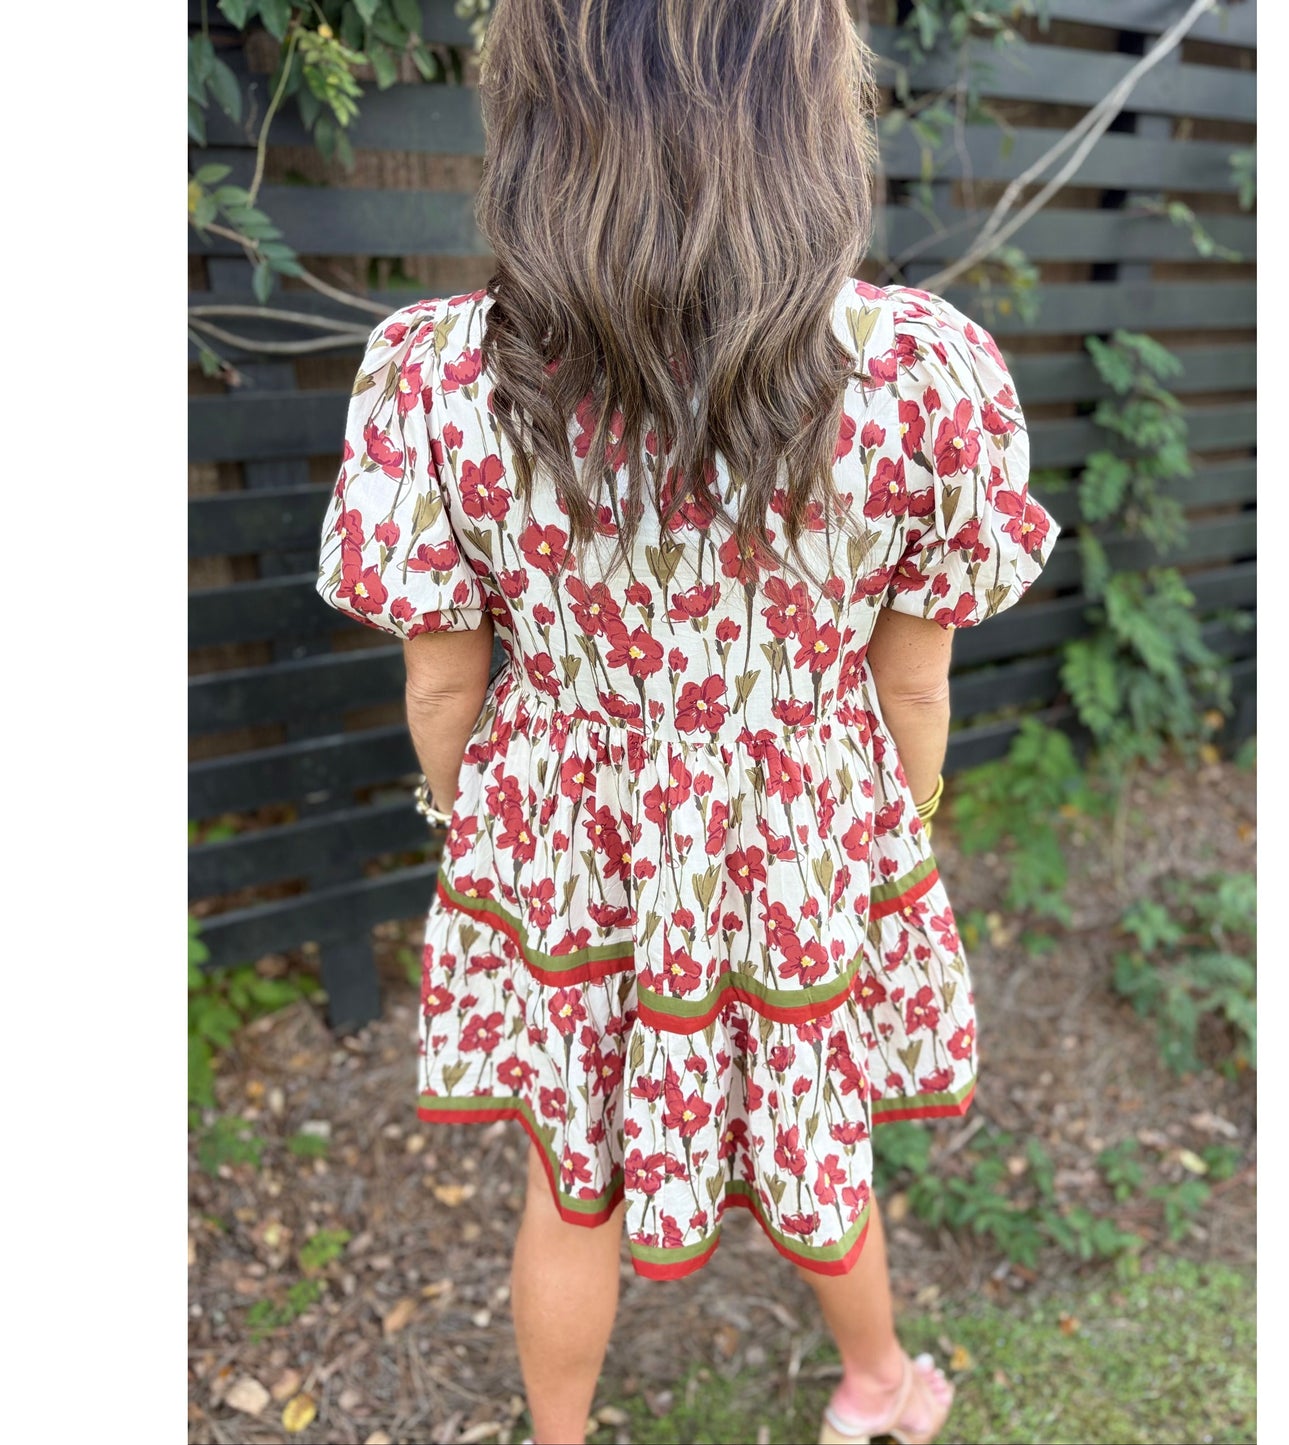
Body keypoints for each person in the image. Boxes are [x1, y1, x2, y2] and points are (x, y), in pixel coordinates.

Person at [315, 3, 1057, 1441]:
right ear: (807, 114)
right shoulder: (917, 371)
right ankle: (876, 1384)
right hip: (797, 837)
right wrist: (882, 832)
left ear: (534, 114)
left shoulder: (436, 373)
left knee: (566, 1169)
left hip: (565, 842)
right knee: (809, 1120)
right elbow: (912, 682)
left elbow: (441, 686)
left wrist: (481, 821)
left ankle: (559, 1437)